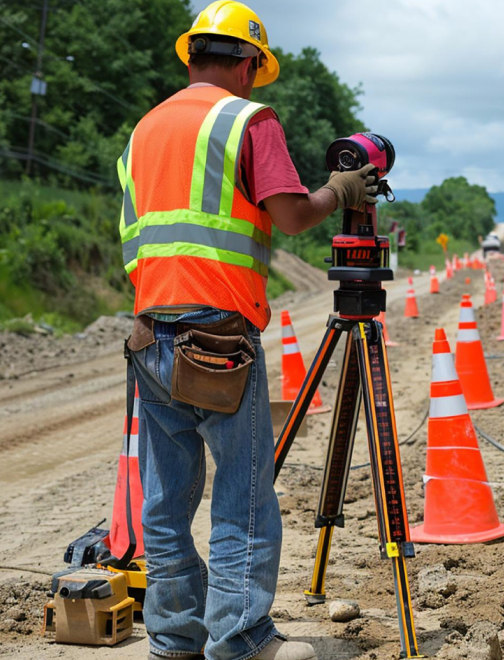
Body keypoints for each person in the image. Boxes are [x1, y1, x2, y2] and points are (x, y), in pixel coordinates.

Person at [117, 3, 375, 659]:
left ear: (192, 55)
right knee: (243, 498)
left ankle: (174, 637)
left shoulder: (145, 129)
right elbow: (290, 217)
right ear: (248, 63)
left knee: (166, 504)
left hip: (150, 332)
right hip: (221, 336)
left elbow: (131, 241)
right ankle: (239, 639)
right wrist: (341, 190)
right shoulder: (246, 120)